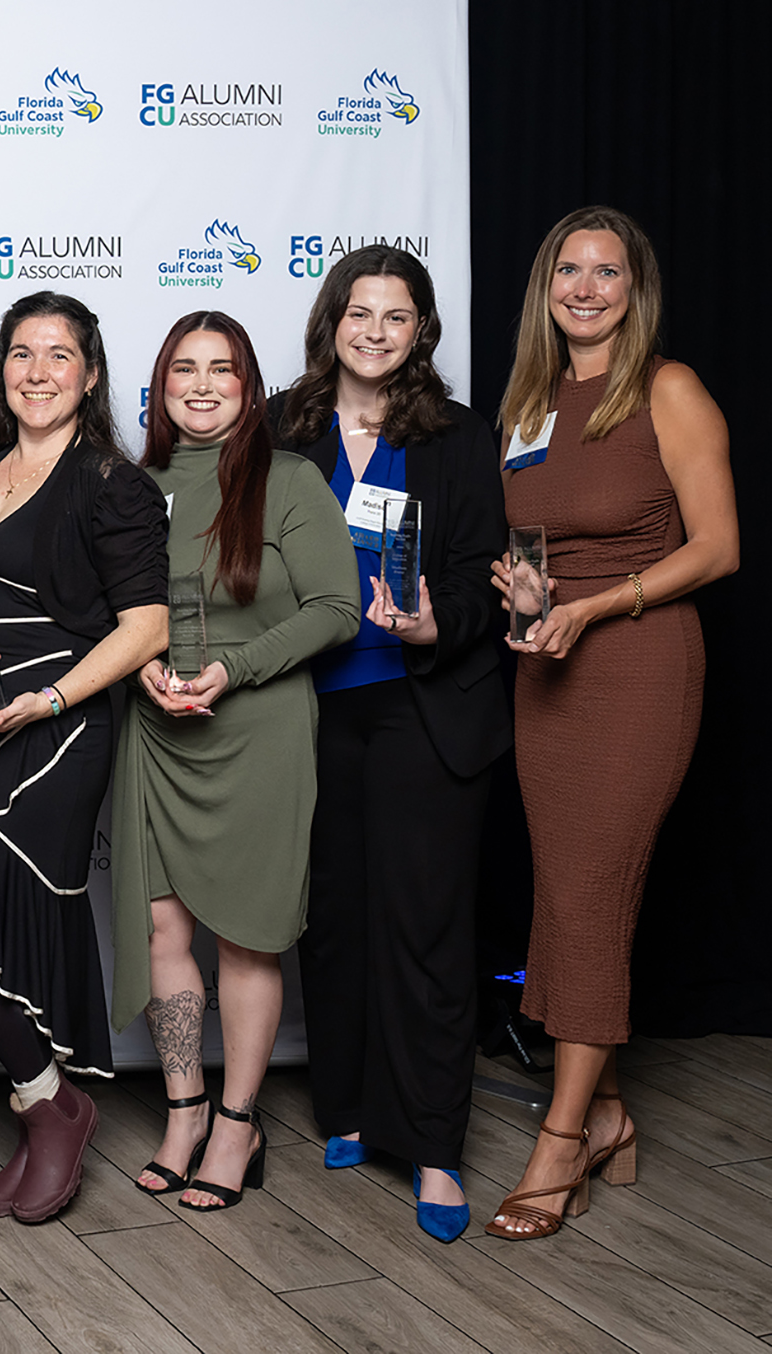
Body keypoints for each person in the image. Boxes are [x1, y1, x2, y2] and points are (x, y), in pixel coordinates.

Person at [484, 206, 736, 1240]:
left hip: (636, 663)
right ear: (545, 284)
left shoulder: (666, 389)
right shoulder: (528, 400)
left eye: (607, 272)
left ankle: (560, 1140)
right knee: (565, 892)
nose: (584, 288)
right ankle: (614, 1114)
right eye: (567, 271)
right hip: (545, 669)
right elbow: (536, 544)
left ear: (634, 291)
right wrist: (523, 591)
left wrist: (596, 604)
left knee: (592, 889)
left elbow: (718, 547)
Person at [269, 247, 509, 1242]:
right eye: (357, 312)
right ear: (330, 321)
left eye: (394, 316)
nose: (373, 330)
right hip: (306, 709)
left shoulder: (455, 437)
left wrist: (428, 624)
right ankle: (350, 1108)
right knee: (331, 917)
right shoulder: (282, 424)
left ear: (420, 332)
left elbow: (471, 574)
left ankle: (436, 1147)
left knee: (421, 928)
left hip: (418, 703)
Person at [0, 292, 167, 1222]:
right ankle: (48, 1107)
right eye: (22, 352)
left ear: (91, 374)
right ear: (2, 368)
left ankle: (54, 1108)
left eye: (61, 355)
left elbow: (146, 626)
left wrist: (54, 698)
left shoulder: (112, 482)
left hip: (57, 728)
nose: (38, 371)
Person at [112, 311, 359, 1212]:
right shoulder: (129, 484)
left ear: (250, 387)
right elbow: (107, 613)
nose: (204, 385)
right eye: (185, 368)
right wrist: (139, 668)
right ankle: (183, 1111)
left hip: (259, 728)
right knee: (162, 933)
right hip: (154, 728)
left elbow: (339, 608)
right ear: (160, 384)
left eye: (223, 370)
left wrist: (234, 668)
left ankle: (239, 1120)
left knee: (249, 937)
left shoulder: (288, 479)